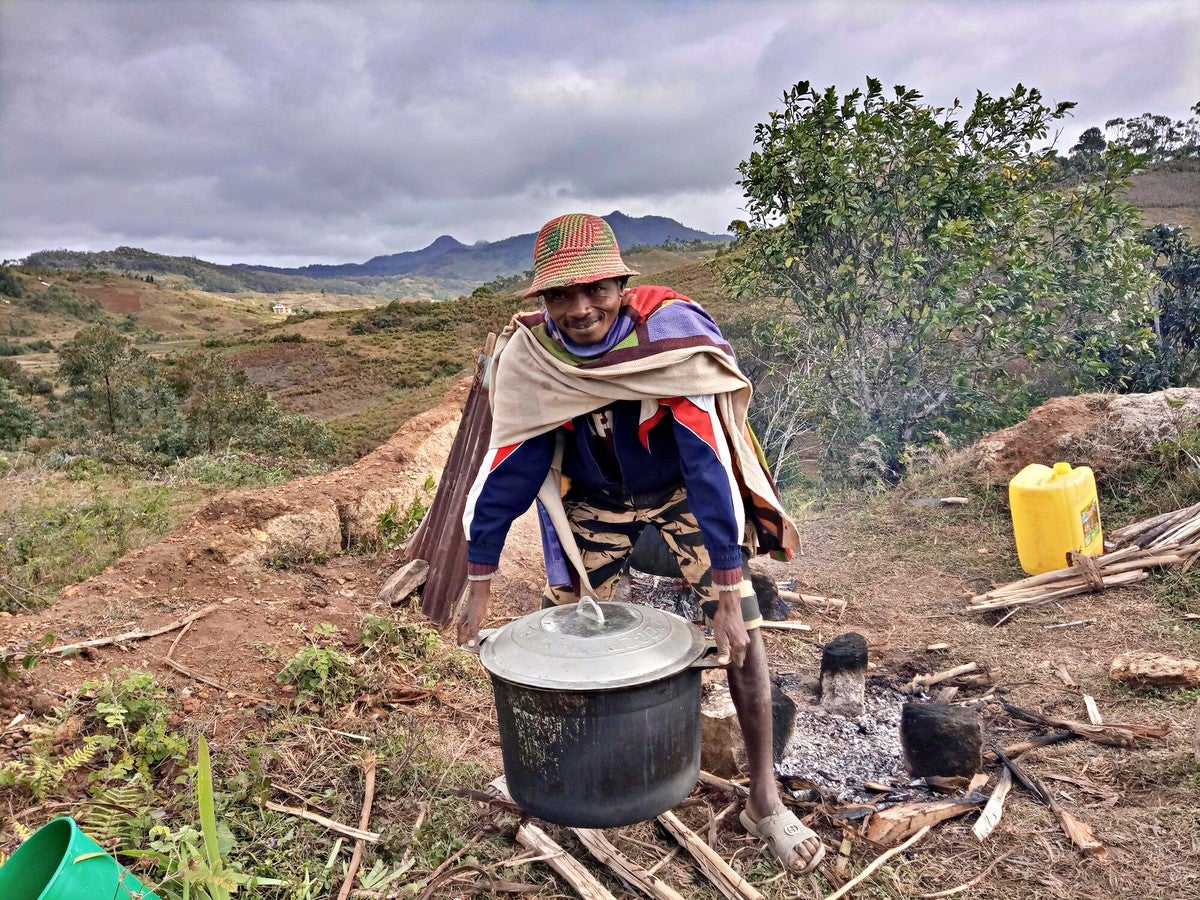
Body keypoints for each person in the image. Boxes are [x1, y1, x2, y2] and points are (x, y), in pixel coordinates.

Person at [457, 212, 826, 876]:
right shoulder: (537, 358)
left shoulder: (670, 340)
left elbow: (709, 463)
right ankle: (565, 778)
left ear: (623, 285)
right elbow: (512, 463)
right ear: (541, 303)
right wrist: (477, 578)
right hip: (594, 497)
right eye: (559, 296)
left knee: (742, 631)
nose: (579, 308)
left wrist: (721, 587)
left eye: (595, 289)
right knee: (563, 638)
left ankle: (764, 799)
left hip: (681, 488)